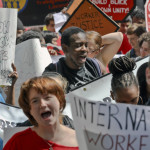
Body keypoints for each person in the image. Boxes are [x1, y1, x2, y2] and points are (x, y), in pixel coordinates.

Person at [3, 76, 79, 150]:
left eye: (47, 98)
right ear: (29, 110)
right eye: (35, 101)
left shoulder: (82, 141)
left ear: (60, 101)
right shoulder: (17, 142)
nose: (42, 104)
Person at [43, 26, 123, 92]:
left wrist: (96, 40)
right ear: (65, 48)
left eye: (86, 45)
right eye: (78, 45)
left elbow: (108, 92)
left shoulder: (96, 65)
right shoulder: (54, 72)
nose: (84, 49)